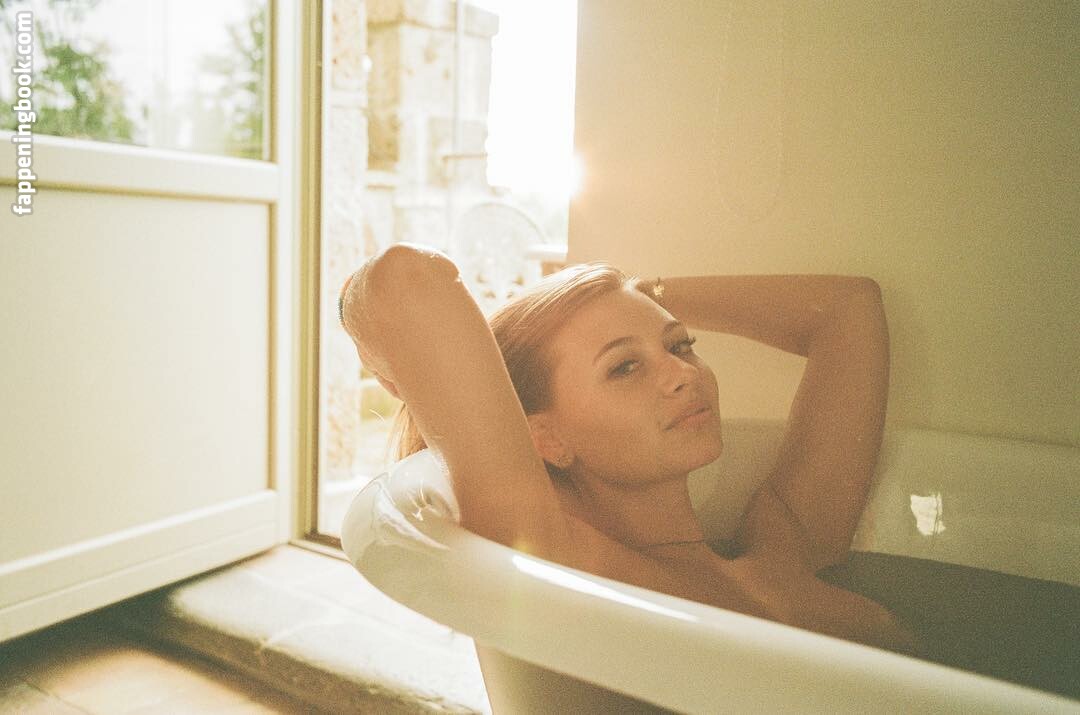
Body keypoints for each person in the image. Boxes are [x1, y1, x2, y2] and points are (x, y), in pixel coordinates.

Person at [339, 242, 920, 654]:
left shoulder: (787, 543)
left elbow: (849, 309)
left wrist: (640, 292)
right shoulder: (573, 571)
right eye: (624, 367)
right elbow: (402, 282)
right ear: (546, 438)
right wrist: (404, 374)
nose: (682, 374)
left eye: (680, 344)